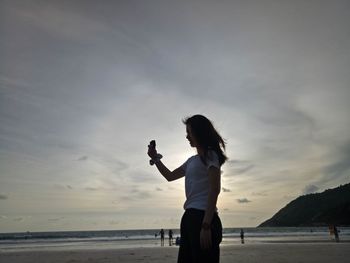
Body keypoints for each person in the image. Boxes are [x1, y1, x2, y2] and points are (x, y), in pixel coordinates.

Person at [148, 114, 227, 263]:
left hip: (203, 218)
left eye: (189, 133)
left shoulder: (211, 156)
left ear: (199, 133)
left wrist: (206, 226)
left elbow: (214, 189)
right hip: (189, 218)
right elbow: (170, 176)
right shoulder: (191, 161)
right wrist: (155, 158)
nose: (187, 137)